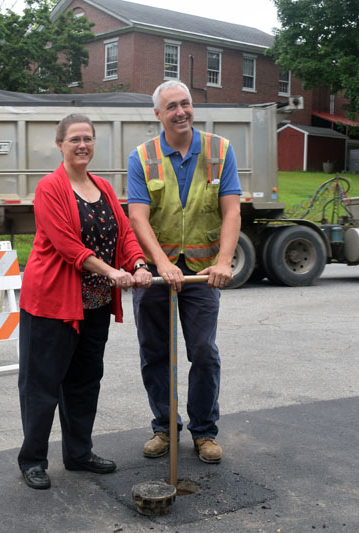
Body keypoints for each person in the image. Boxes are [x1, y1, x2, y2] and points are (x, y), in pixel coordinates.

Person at [18, 113, 154, 490]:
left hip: (93, 306)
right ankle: (32, 460)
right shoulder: (50, 188)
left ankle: (78, 454)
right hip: (51, 304)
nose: (82, 145)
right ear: (60, 144)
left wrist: (138, 263)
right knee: (42, 386)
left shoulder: (104, 188)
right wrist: (112, 272)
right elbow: (67, 245)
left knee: (84, 382)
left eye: (88, 139)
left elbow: (124, 231)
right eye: (75, 139)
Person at [127, 80, 242, 464]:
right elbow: (138, 217)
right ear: (157, 115)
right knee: (155, 353)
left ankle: (204, 432)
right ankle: (164, 427)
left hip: (201, 271)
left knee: (204, 352)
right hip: (156, 274)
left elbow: (231, 211)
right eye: (172, 106)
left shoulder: (219, 150)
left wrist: (224, 261)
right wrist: (160, 262)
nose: (181, 112)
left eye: (186, 104)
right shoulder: (142, 156)